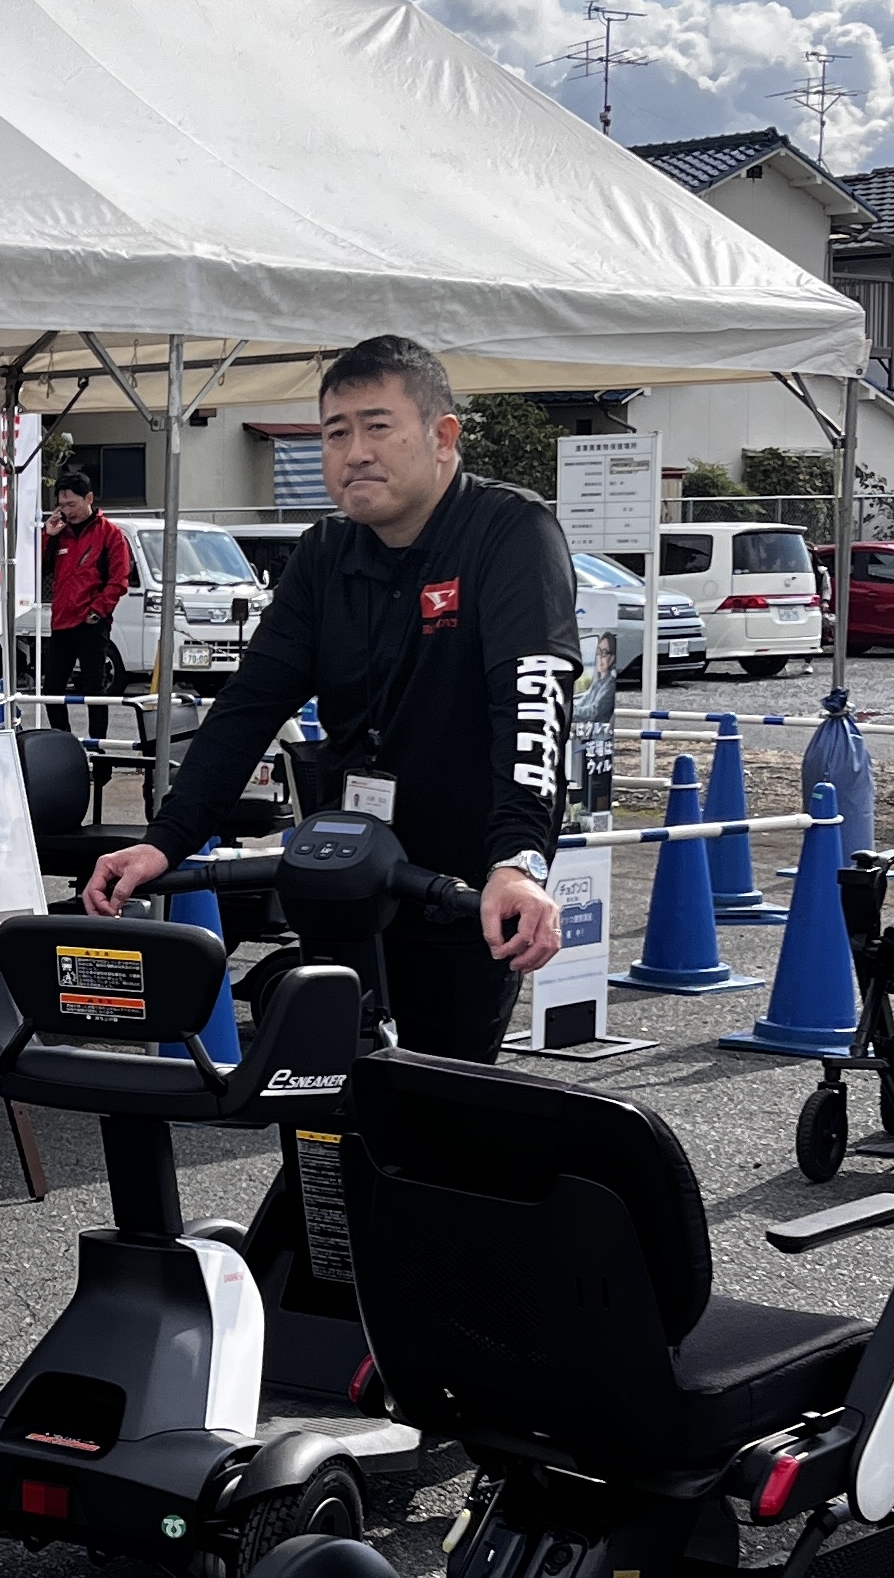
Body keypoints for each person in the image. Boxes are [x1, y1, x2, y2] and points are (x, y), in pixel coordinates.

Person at [84, 333, 576, 1061]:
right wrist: (168, 838)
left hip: (467, 886)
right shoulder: (326, 553)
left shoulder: (509, 532)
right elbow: (250, 704)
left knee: (447, 1100)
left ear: (443, 437)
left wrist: (519, 862)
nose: (355, 452)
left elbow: (532, 704)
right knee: (328, 1100)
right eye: (335, 433)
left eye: (378, 426)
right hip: (350, 876)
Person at [40, 462, 134, 723]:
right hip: (61, 621)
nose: (67, 511)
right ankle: (62, 743)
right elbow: (37, 568)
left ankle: (99, 752)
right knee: (52, 691)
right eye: (62, 506)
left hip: (91, 622)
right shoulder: (59, 534)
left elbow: (119, 580)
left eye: (72, 504)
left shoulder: (111, 534)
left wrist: (98, 611)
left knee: (94, 690)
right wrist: (47, 535)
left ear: (89, 499)